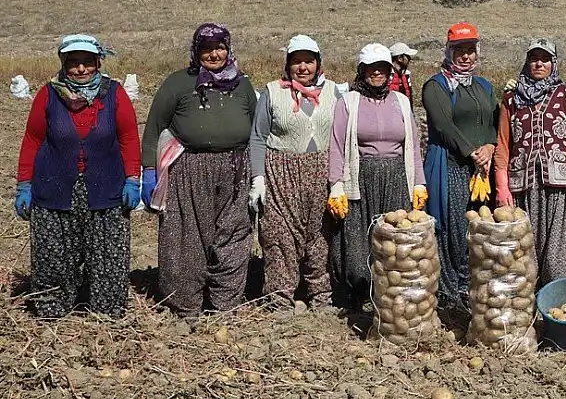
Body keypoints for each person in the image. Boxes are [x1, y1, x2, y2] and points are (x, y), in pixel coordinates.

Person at [14, 35, 141, 318]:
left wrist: (133, 179)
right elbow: (32, 140)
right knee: (54, 253)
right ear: (63, 64)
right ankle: (53, 307)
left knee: (107, 253)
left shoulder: (114, 93)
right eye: (73, 63)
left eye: (87, 62)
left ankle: (106, 309)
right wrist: (24, 184)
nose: (81, 69)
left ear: (98, 63)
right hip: (54, 185)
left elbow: (129, 138)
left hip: (106, 185)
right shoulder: (48, 94)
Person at [142, 23, 257, 318]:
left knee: (233, 235)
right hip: (190, 167)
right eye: (207, 48)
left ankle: (224, 304)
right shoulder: (179, 83)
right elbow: (154, 128)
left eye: (220, 47)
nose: (214, 54)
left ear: (228, 49)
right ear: (196, 51)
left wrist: (258, 174)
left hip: (235, 168)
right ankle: (185, 305)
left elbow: (257, 131)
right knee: (186, 236)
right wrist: (149, 171)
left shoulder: (242, 84)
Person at [327, 43, 425, 312]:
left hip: (395, 177)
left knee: (393, 242)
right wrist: (336, 185)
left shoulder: (401, 102)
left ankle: (391, 296)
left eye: (382, 68)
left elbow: (413, 146)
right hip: (361, 177)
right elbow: (337, 145)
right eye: (371, 69)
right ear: (362, 71)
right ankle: (359, 294)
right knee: (358, 242)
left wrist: (418, 182)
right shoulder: (348, 102)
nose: (377, 73)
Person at [248, 35, 339, 311]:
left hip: (320, 172)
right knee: (278, 235)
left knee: (320, 235)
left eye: (308, 61)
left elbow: (342, 136)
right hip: (281, 174)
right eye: (296, 61)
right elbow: (258, 136)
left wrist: (338, 181)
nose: (303, 67)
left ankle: (320, 295)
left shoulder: (334, 92)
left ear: (318, 64)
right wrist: (258, 178)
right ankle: (279, 298)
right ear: (287, 65)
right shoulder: (272, 92)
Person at [494, 38, 566, 285]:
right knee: (522, 254)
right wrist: (502, 187)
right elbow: (503, 146)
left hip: (562, 189)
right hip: (523, 189)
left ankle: (558, 306)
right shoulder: (511, 99)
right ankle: (526, 311)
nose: (539, 64)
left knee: (561, 255)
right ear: (527, 62)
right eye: (534, 58)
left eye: (545, 59)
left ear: (553, 63)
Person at [421, 23, 498, 308]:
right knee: (454, 229)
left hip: (482, 169)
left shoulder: (484, 86)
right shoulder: (436, 86)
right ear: (449, 52)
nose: (466, 56)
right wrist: (472, 152)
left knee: (479, 227)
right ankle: (452, 290)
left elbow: (494, 121)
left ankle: (474, 284)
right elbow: (443, 124)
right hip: (453, 166)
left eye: (470, 50)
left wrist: (490, 147)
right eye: (459, 50)